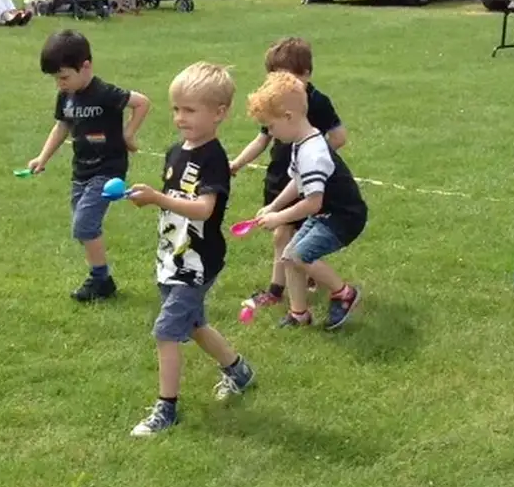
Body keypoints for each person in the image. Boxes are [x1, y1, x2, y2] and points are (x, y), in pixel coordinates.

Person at [123, 63, 256, 437]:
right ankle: (238, 371)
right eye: (176, 109)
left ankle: (166, 409)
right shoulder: (173, 152)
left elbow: (204, 209)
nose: (180, 118)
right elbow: (175, 202)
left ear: (219, 113)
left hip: (197, 263)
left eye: (190, 110)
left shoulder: (213, 157)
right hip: (173, 257)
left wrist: (158, 198)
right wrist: (146, 198)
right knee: (194, 325)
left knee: (166, 331)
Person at [28, 29, 151, 301]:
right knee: (85, 228)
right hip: (81, 171)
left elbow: (142, 103)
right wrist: (42, 157)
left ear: (86, 66)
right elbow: (62, 126)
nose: (60, 84)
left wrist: (128, 134)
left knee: (84, 226)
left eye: (63, 77)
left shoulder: (104, 93)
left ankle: (99, 280)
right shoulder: (67, 96)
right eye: (56, 79)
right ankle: (102, 280)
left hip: (108, 170)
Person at [229, 37, 348, 313]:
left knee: (286, 235)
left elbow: (339, 137)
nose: (279, 85)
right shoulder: (276, 105)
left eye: (286, 77)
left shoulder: (317, 102)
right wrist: (237, 163)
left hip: (307, 185)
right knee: (285, 235)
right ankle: (297, 288)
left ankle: (278, 290)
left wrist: (315, 161)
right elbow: (262, 140)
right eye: (273, 78)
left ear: (306, 74)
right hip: (280, 178)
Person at [247, 71, 366, 328]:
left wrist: (279, 217)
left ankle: (344, 293)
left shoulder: (312, 152)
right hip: (326, 213)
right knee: (289, 257)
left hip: (343, 217)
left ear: (288, 117)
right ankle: (299, 314)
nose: (270, 133)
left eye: (271, 126)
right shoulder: (301, 142)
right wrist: (274, 205)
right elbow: (297, 181)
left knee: (300, 256)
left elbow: (313, 203)